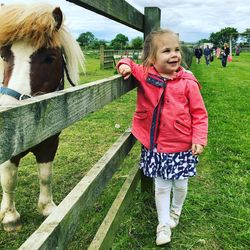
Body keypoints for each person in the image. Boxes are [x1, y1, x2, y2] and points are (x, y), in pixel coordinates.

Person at [116, 29, 208, 246]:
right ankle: (163, 224)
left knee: (181, 185)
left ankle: (175, 212)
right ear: (152, 58)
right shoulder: (147, 74)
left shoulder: (188, 82)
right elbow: (126, 59)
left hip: (183, 146)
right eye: (166, 51)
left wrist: (199, 138)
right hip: (157, 146)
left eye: (176, 49)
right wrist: (124, 66)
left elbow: (199, 113)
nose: (174, 54)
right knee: (162, 186)